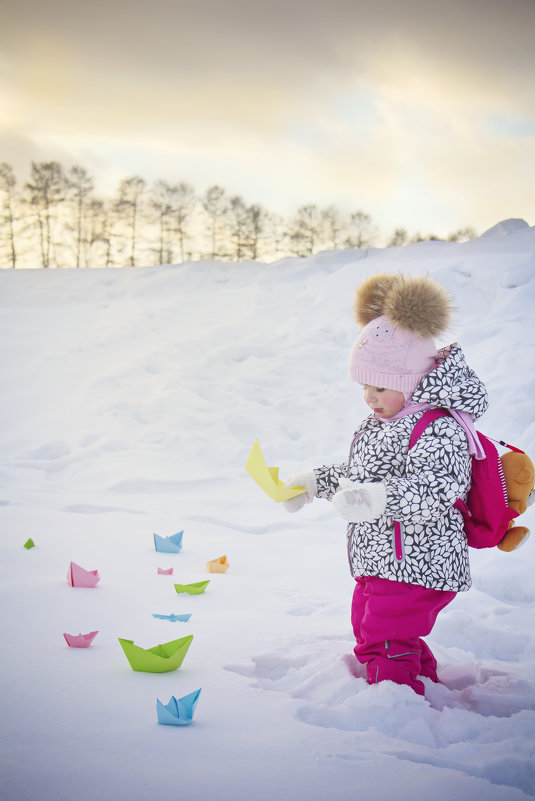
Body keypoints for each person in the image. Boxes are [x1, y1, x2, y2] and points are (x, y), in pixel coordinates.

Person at [283, 273, 488, 696]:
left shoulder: (439, 426)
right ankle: (419, 681)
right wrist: (315, 483)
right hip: (382, 558)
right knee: (370, 627)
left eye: (380, 386)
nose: (370, 398)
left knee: (385, 637)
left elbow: (436, 489)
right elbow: (362, 473)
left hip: (419, 560)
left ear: (412, 380)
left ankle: (396, 705)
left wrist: (379, 498)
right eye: (364, 387)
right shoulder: (385, 422)